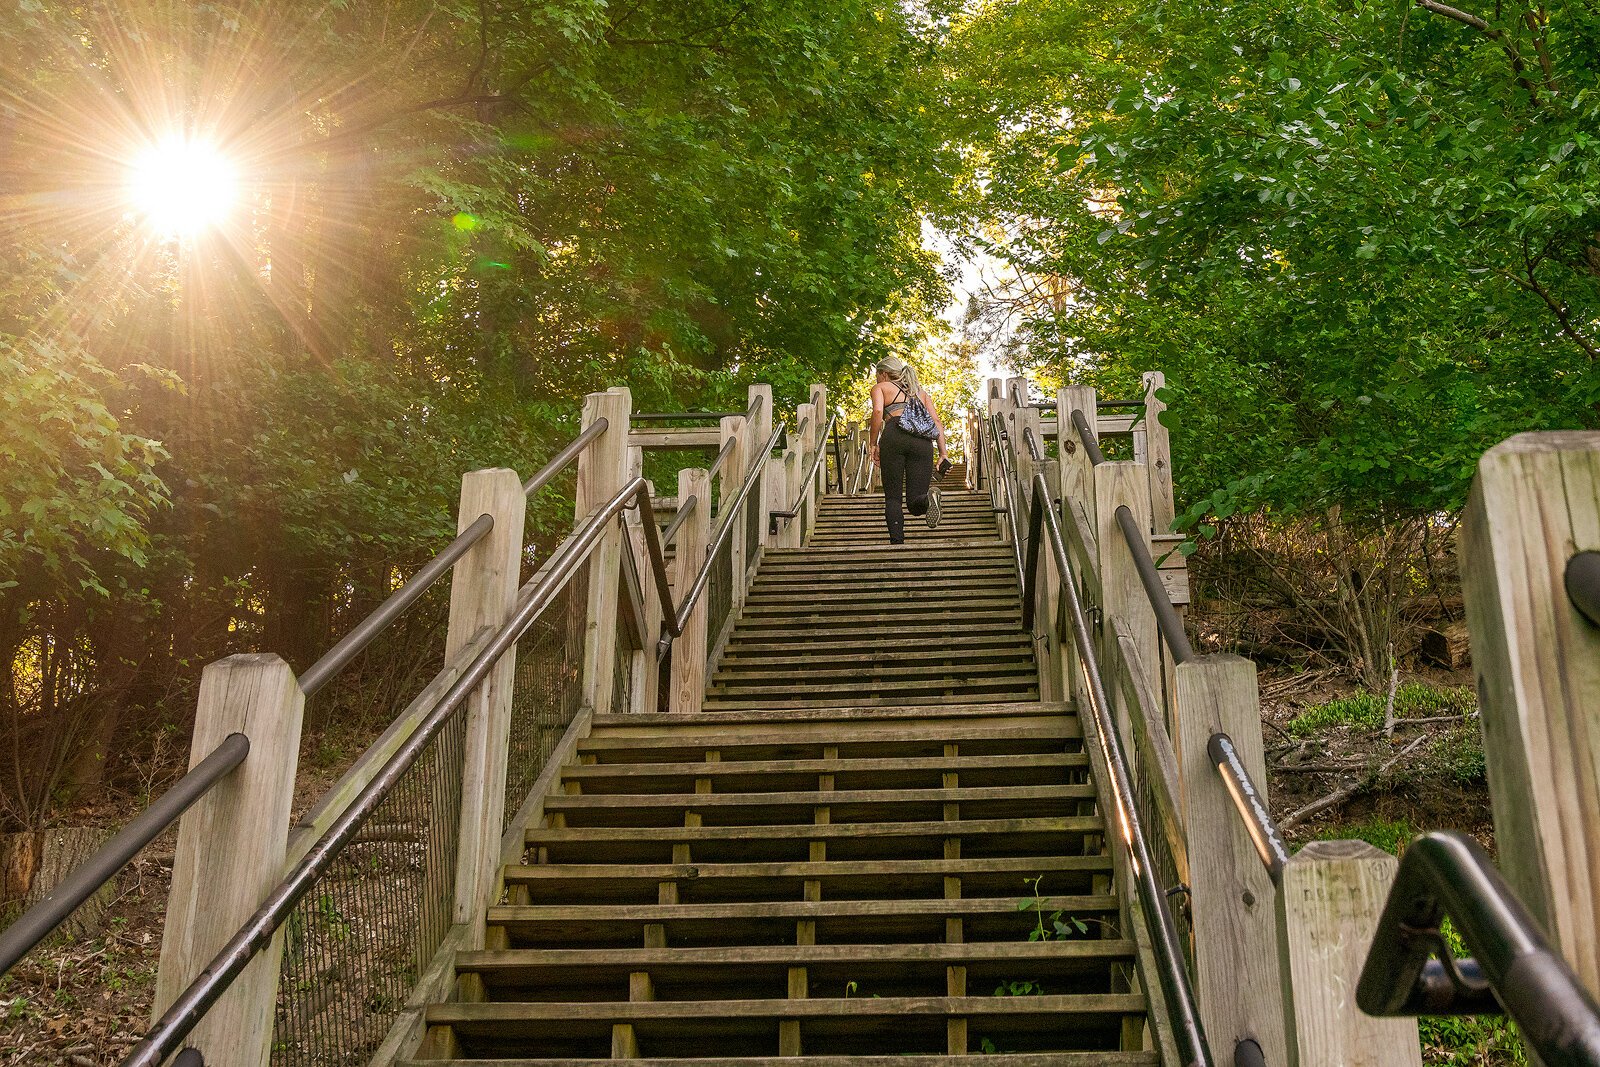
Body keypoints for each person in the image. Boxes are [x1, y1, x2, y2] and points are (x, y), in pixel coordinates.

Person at [869, 355, 949, 544]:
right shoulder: (920, 392)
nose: (876, 380)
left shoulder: (881, 388)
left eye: (876, 376)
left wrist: (873, 443)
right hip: (922, 441)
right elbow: (936, 422)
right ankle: (929, 500)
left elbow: (878, 412)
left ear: (883, 374)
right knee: (915, 503)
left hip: (894, 436)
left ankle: (897, 543)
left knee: (893, 498)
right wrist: (943, 453)